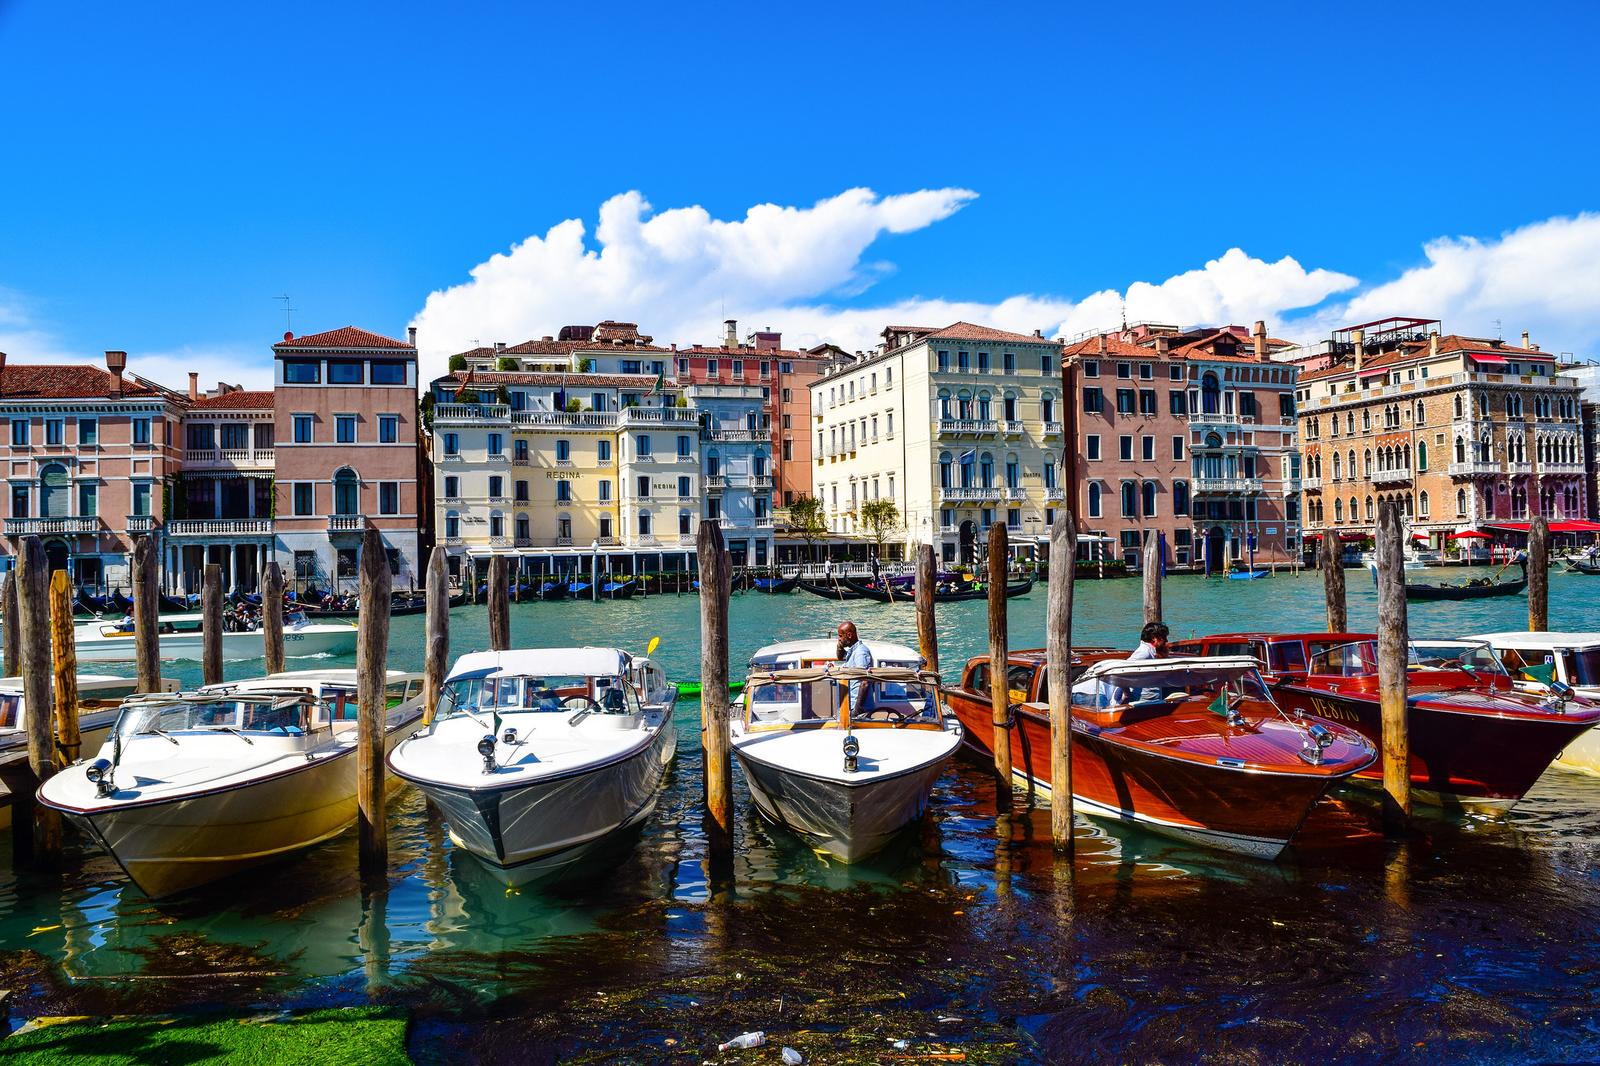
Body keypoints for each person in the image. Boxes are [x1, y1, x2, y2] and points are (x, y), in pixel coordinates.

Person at [836, 621, 873, 713]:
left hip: (859, 708)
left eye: (840, 636)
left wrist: (857, 709)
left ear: (849, 635)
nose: (838, 638)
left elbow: (865, 681)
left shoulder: (860, 653)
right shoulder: (853, 651)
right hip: (850, 705)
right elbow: (840, 657)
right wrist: (839, 645)